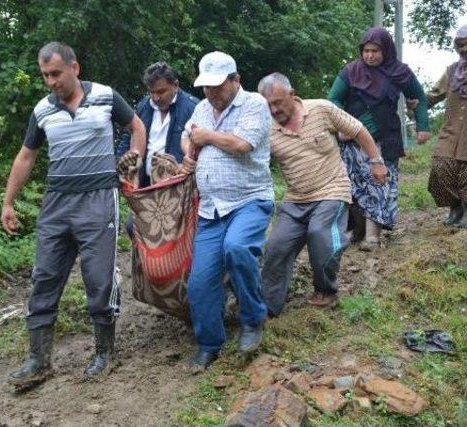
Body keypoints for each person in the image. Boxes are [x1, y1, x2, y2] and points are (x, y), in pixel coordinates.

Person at [0, 42, 146, 389]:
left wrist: (135, 158)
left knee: (99, 277)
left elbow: (136, 127)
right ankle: (38, 360)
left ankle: (104, 352)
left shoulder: (107, 97)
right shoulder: (42, 111)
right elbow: (25, 156)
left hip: (98, 199)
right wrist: (8, 202)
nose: (50, 82)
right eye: (45, 75)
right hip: (56, 203)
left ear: (74, 68)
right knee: (44, 276)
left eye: (56, 73)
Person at [258, 73, 387, 315]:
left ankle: (326, 288)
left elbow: (358, 130)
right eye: (268, 105)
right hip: (296, 199)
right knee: (275, 247)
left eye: (278, 102)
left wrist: (376, 160)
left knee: (320, 233)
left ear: (292, 94)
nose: (273, 110)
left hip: (332, 189)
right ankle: (268, 306)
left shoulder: (321, 109)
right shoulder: (264, 127)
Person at [179, 51, 274, 371]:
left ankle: (252, 319)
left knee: (237, 248)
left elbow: (241, 144)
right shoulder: (201, 108)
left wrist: (206, 137)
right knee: (199, 282)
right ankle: (209, 344)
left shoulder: (255, 105)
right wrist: (189, 150)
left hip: (250, 200)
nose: (210, 93)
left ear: (235, 81)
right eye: (205, 87)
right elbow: (186, 137)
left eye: (217, 86)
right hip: (211, 209)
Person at [328, 27, 431, 250]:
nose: (370, 55)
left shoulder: (400, 72)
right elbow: (333, 100)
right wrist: (341, 125)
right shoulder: (350, 72)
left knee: (379, 183)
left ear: (386, 50)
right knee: (353, 185)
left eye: (375, 50)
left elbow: (419, 97)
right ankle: (357, 229)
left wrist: (423, 126)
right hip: (353, 139)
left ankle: (372, 237)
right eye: (366, 50)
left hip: (386, 138)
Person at [116, 62, 198, 235]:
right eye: (151, 92)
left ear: (175, 85)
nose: (156, 97)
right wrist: (119, 165)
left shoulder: (193, 108)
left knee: (173, 233)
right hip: (146, 186)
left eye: (161, 92)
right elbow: (128, 136)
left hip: (177, 188)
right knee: (134, 227)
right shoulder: (144, 106)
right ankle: (146, 263)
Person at [426, 25, 467, 228]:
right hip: (451, 131)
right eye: (460, 45)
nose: (464, 49)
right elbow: (433, 95)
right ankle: (455, 206)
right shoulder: (451, 72)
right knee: (440, 168)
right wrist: (416, 104)